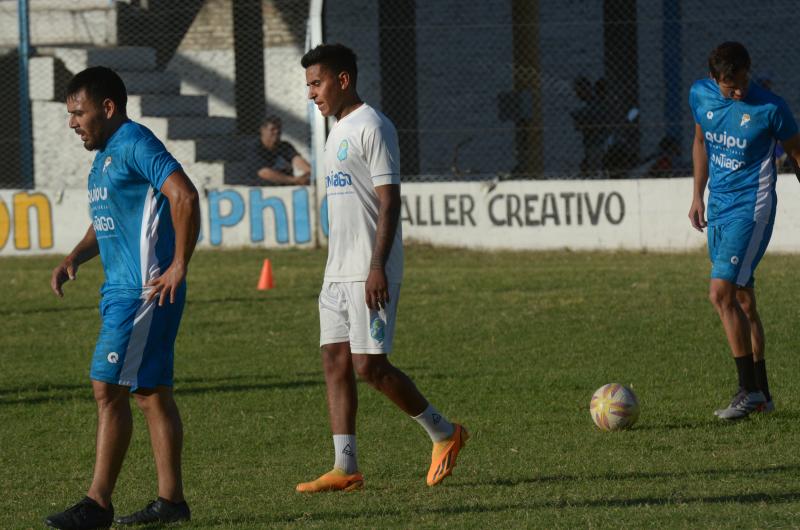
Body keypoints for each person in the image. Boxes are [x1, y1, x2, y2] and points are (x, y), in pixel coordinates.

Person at [295, 43, 468, 493]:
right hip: (337, 271)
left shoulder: (373, 126)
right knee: (334, 360)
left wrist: (376, 266)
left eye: (317, 83)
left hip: (370, 269)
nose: (311, 93)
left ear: (343, 80)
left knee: (369, 366)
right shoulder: (335, 132)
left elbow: (389, 202)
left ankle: (444, 432)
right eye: (309, 85)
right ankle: (345, 466)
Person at [45, 66, 200, 529]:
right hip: (125, 291)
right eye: (71, 114)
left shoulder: (134, 142)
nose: (73, 122)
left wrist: (177, 265)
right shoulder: (107, 154)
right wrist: (76, 255)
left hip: (142, 292)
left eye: (79, 112)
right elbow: (111, 215)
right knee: (150, 393)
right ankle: (171, 502)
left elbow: (184, 196)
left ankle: (97, 504)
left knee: (107, 388)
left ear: (107, 108)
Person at [688, 42, 800, 420]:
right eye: (729, 86)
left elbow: (798, 154)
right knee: (743, 301)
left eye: (742, 81)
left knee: (720, 294)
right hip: (718, 207)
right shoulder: (700, 96)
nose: (738, 91)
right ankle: (764, 394)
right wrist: (697, 195)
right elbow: (701, 141)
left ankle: (747, 391)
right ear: (713, 79)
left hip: (752, 211)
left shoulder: (772, 108)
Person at [252, 115, 311, 186]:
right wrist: (294, 180)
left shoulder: (285, 146)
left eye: (278, 128)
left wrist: (310, 173)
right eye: (272, 129)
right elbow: (263, 173)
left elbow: (298, 160)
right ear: (262, 130)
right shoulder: (255, 147)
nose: (276, 131)